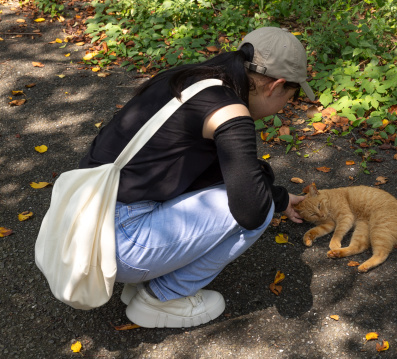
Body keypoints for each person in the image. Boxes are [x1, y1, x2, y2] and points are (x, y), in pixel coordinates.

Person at [79, 27, 315, 328]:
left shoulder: (191, 79)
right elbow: (250, 208)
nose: (286, 105)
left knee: (257, 193)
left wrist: (281, 197)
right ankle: (163, 297)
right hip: (120, 244)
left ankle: (142, 281)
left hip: (88, 220)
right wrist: (271, 199)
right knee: (259, 208)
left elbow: (215, 167)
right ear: (276, 85)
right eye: (291, 96)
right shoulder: (230, 112)